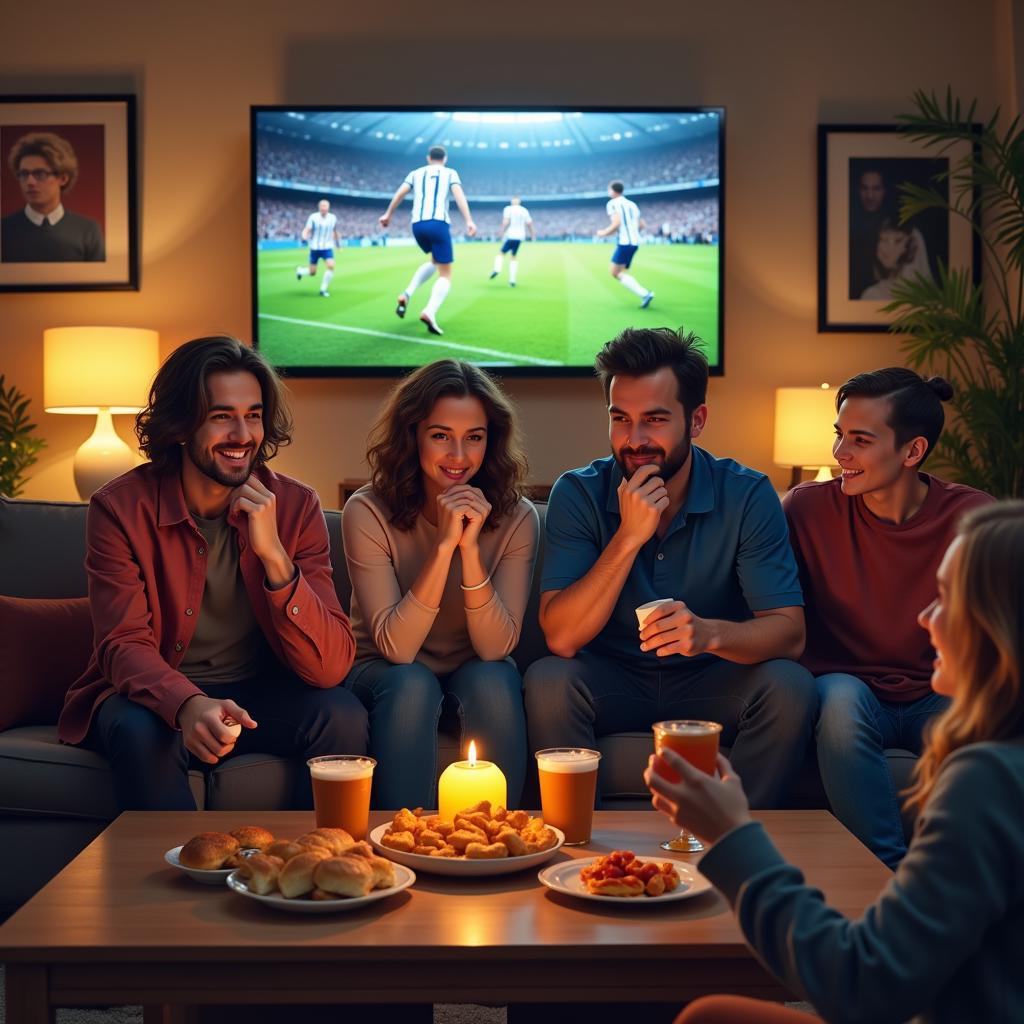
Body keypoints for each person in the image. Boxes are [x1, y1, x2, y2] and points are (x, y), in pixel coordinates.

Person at [650, 501, 1024, 1024]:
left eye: (945, 599)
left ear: (999, 628)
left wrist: (733, 834)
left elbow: (864, 987)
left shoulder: (987, 780)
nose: (924, 618)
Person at [58, 336, 368, 811]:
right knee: (136, 726)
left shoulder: (296, 506)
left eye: (254, 414)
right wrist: (186, 704)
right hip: (154, 696)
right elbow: (122, 645)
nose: (243, 434)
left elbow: (330, 668)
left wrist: (276, 559)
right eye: (222, 416)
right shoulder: (118, 508)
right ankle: (170, 880)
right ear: (182, 424)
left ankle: (315, 869)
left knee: (340, 714)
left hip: (258, 693)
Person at [524, 327, 817, 808]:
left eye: (655, 419)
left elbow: (788, 633)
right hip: (611, 681)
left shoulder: (746, 495)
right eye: (621, 419)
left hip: (712, 682)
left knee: (790, 686)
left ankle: (739, 844)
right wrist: (628, 537)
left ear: (697, 419)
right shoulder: (578, 492)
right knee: (549, 680)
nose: (635, 440)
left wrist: (708, 634)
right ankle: (579, 847)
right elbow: (562, 638)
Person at [784, 367, 992, 868]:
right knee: (837, 702)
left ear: (913, 451)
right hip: (849, 692)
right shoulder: (804, 510)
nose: (839, 454)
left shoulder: (972, 518)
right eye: (839, 435)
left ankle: (960, 876)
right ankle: (886, 870)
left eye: (860, 440)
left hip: (938, 694)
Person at [342, 358, 538, 809]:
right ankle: (400, 841)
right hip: (383, 669)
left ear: (492, 441)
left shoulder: (517, 517)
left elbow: (494, 647)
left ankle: (496, 842)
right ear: (412, 434)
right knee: (413, 684)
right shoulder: (366, 511)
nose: (459, 456)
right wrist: (444, 546)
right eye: (440, 436)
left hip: (472, 664)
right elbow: (397, 647)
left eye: (474, 438)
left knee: (494, 678)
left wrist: (469, 551)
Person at [378, 145, 477, 336]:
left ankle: (407, 293)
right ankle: (430, 311)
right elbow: (459, 196)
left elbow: (400, 193)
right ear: (445, 158)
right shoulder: (450, 173)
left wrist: (388, 214)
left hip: (417, 225)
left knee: (434, 260)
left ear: (428, 158)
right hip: (438, 223)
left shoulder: (416, 173)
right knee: (446, 273)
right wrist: (469, 220)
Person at [1, 131, 104, 262]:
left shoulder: (88, 230)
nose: (30, 182)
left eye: (40, 173)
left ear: (63, 178)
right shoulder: (4, 230)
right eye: (24, 174)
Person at [596, 181, 654, 308]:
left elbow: (616, 223)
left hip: (624, 243)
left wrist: (603, 233)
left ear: (612, 190)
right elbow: (642, 225)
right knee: (622, 271)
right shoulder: (632, 204)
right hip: (635, 243)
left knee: (615, 272)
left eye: (609, 189)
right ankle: (645, 294)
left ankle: (645, 294)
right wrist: (633, 232)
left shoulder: (612, 204)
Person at [859, 219, 931, 301]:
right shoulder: (873, 294)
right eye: (881, 240)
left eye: (892, 241)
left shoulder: (926, 296)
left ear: (909, 246)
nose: (880, 247)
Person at [295, 198, 340, 297]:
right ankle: (300, 271)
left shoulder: (333, 218)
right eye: (322, 206)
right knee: (312, 272)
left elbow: (335, 231)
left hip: (327, 248)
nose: (324, 208)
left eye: (325, 206)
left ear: (328, 207)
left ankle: (323, 289)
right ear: (319, 207)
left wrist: (338, 244)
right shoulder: (313, 217)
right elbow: (307, 229)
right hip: (315, 248)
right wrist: (304, 236)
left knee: (331, 265)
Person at [489, 196, 534, 287]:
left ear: (512, 201)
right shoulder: (524, 210)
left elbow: (505, 222)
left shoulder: (508, 209)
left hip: (511, 234)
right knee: (513, 256)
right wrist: (532, 234)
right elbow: (529, 223)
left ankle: (497, 269)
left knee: (501, 253)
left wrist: (501, 231)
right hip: (520, 236)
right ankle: (512, 280)